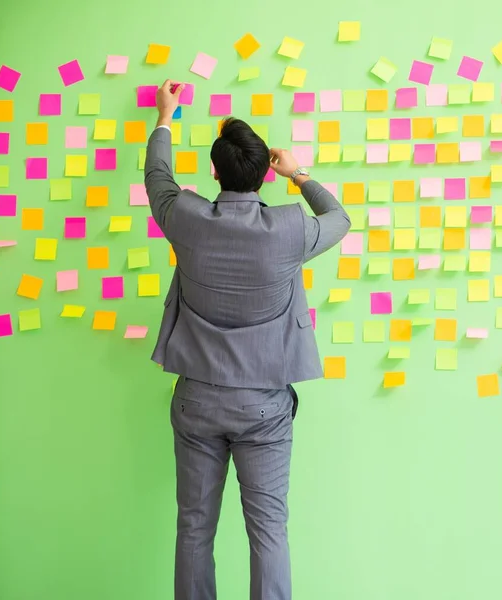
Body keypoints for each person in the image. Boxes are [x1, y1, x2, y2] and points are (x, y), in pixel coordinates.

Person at [144, 80, 351, 600]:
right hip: (263, 405)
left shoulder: (185, 218)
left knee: (194, 527)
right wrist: (298, 174)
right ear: (265, 174)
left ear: (214, 172)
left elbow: (157, 179)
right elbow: (340, 219)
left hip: (196, 402)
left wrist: (165, 117)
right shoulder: (288, 230)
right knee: (268, 531)